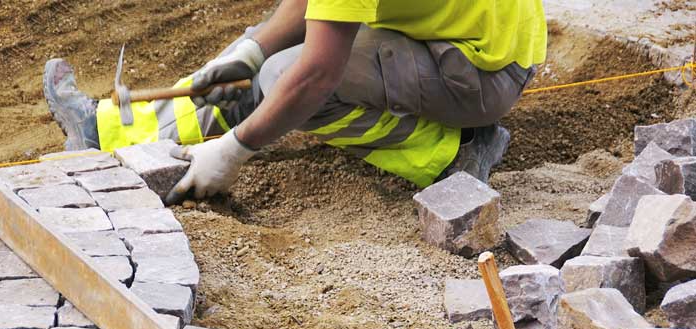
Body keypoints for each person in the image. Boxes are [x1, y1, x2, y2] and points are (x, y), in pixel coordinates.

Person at [44, 0, 547, 203]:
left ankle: (452, 155)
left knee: (288, 76)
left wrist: (235, 148)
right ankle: (107, 131)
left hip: (480, 69)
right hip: (458, 33)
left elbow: (316, 76)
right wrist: (251, 48)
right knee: (266, 48)